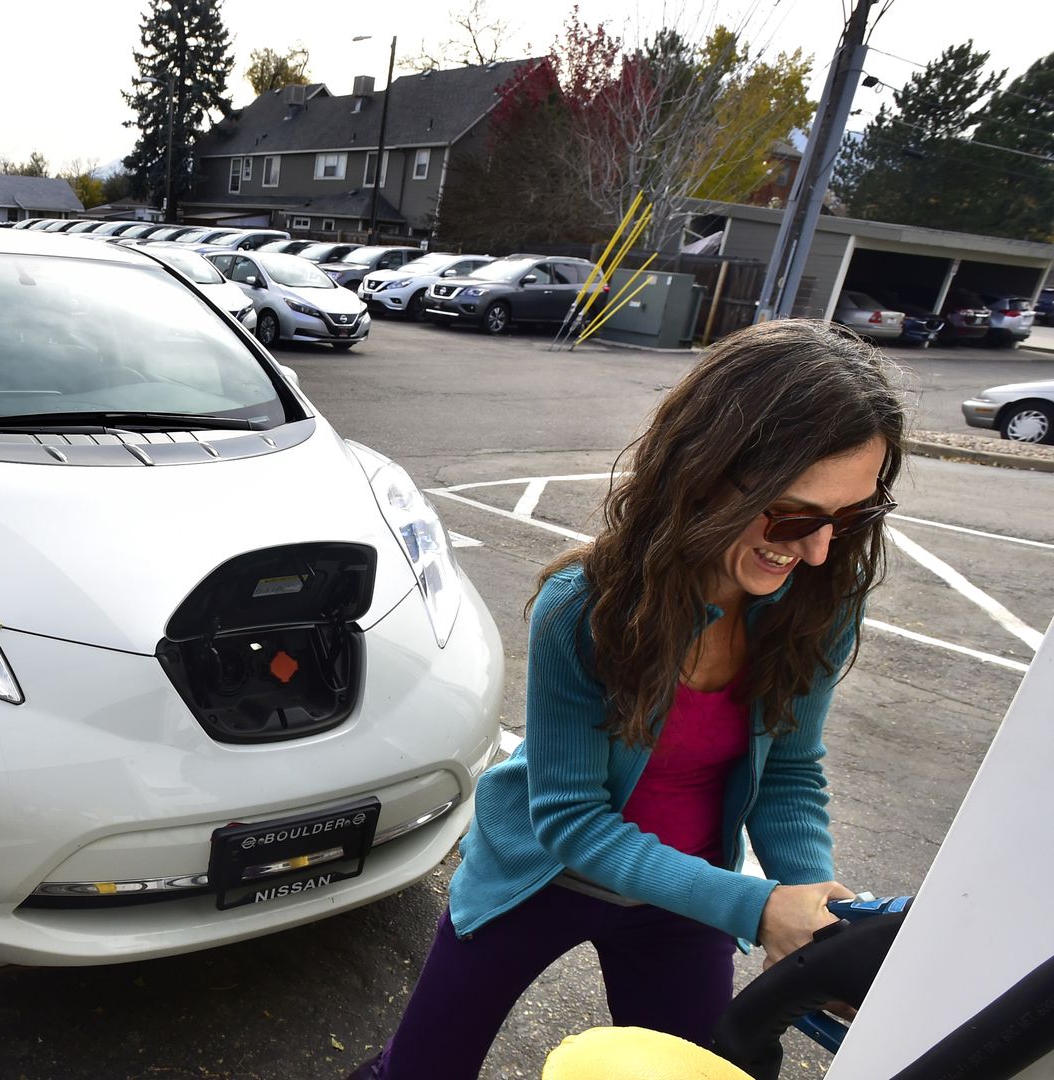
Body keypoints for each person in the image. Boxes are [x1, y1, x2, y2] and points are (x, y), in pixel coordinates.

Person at [353, 319, 908, 1079]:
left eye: (852, 518)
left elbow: (789, 769)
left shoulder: (821, 603)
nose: (817, 549)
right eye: (795, 514)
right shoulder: (583, 608)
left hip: (690, 891)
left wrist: (810, 895)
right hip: (539, 875)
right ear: (706, 472)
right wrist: (758, 907)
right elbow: (572, 820)